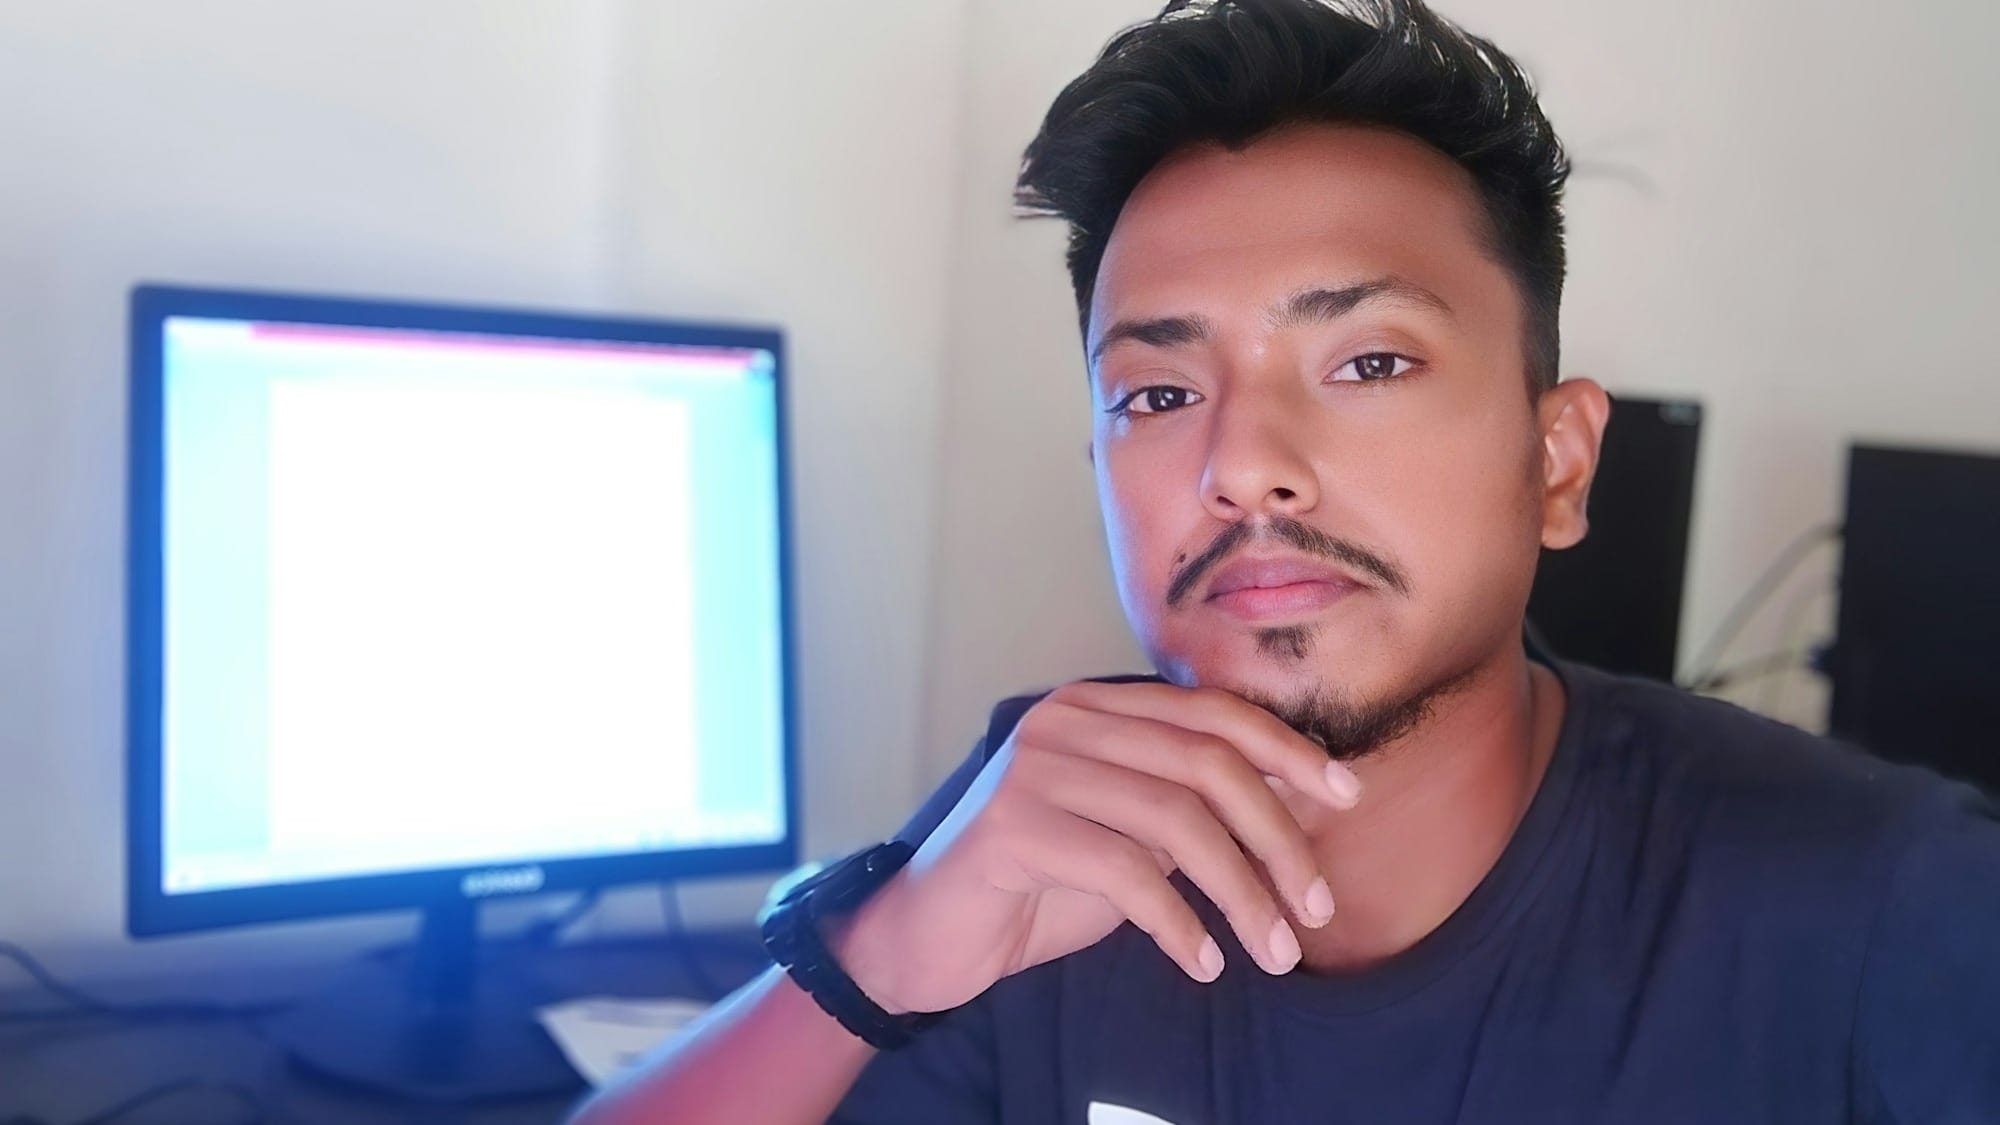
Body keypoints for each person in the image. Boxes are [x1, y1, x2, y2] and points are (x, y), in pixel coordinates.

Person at [570, 2, 2000, 1121]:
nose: (1240, 461)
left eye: (1368, 358)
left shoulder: (1879, 900)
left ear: (1555, 461)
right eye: (1156, 392)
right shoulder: (1049, 825)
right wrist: (883, 955)